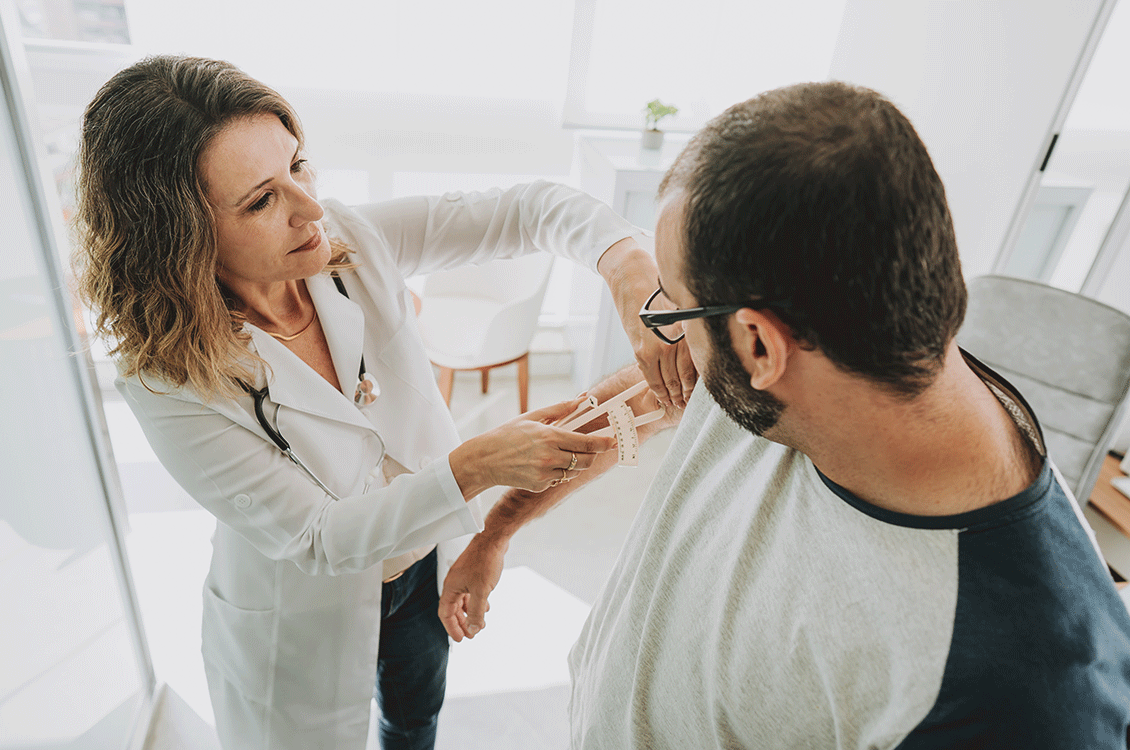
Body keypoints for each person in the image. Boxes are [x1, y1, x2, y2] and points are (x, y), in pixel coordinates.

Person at [439, 81, 1130, 747]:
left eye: (674, 309)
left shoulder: (1017, 699)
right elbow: (611, 418)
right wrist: (496, 534)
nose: (666, 337)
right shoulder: (836, 336)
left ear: (760, 343)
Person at [71, 54, 688, 750]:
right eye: (262, 200)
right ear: (178, 235)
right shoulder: (166, 381)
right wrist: (474, 468)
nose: (311, 210)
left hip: (420, 571)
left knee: (414, 718)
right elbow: (320, 537)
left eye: (298, 166)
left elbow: (529, 210)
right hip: (302, 610)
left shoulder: (349, 239)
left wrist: (626, 263)